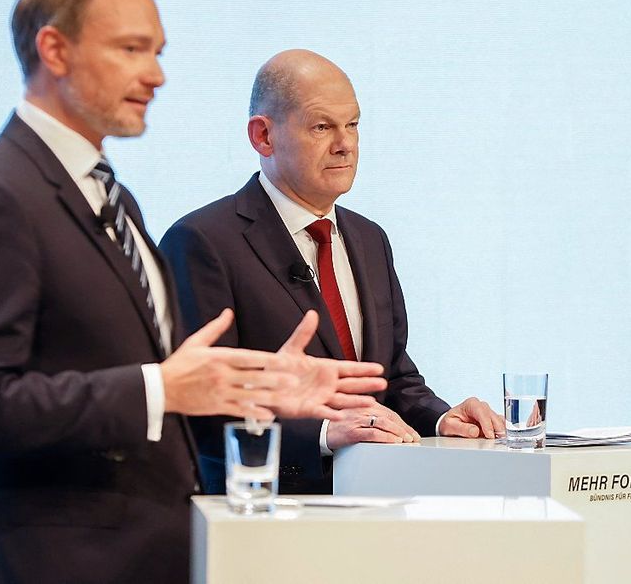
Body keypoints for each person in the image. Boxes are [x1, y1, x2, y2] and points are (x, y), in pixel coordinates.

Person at [0, 0, 384, 583]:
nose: (156, 74)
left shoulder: (113, 198)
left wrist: (248, 387)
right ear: (54, 50)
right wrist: (162, 388)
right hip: (53, 562)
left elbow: (140, 379)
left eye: (158, 51)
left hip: (145, 553)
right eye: (131, 49)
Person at [160, 49, 504, 494]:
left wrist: (441, 417)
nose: (345, 144)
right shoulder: (202, 241)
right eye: (322, 127)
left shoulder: (369, 239)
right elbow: (200, 412)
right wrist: (323, 436)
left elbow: (392, 378)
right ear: (263, 136)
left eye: (353, 124)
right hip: (262, 515)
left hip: (374, 507)